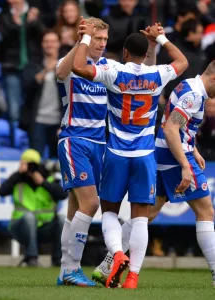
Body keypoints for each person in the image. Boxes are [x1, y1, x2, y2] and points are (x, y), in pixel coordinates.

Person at [72, 23, 188, 288]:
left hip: (116, 153)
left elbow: (79, 66)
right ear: (146, 53)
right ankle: (133, 276)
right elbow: (181, 61)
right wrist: (160, 38)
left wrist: (86, 36)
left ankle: (118, 253)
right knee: (140, 218)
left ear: (124, 53)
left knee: (110, 211)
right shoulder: (157, 74)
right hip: (145, 155)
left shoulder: (114, 71)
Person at [56, 17, 158, 287]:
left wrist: (149, 44)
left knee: (75, 208)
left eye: (103, 39)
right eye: (96, 39)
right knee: (91, 205)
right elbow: (60, 73)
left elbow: (143, 74)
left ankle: (66, 268)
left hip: (101, 145)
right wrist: (82, 40)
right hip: (75, 138)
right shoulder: (74, 61)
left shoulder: (109, 68)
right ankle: (70, 269)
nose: (101, 44)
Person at [112, 62, 215, 287]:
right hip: (175, 156)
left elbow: (177, 124)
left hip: (161, 152)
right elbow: (170, 128)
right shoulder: (195, 95)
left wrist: (194, 148)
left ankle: (109, 263)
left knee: (148, 213)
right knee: (206, 211)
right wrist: (185, 166)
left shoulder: (187, 85)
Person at [0, 149, 67, 267]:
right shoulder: (17, 179)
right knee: (29, 217)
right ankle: (32, 258)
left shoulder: (48, 179)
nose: (30, 168)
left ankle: (58, 259)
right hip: (20, 228)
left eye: (32, 165)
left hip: (44, 227)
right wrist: (18, 174)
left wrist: (43, 182)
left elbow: (63, 194)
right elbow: (2, 191)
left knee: (61, 219)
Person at [21, 30, 62, 158]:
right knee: (35, 158)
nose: (49, 45)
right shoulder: (33, 65)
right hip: (38, 120)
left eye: (53, 41)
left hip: (59, 121)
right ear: (42, 44)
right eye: (46, 41)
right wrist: (45, 71)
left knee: (58, 160)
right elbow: (26, 88)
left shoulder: (66, 65)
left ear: (59, 44)